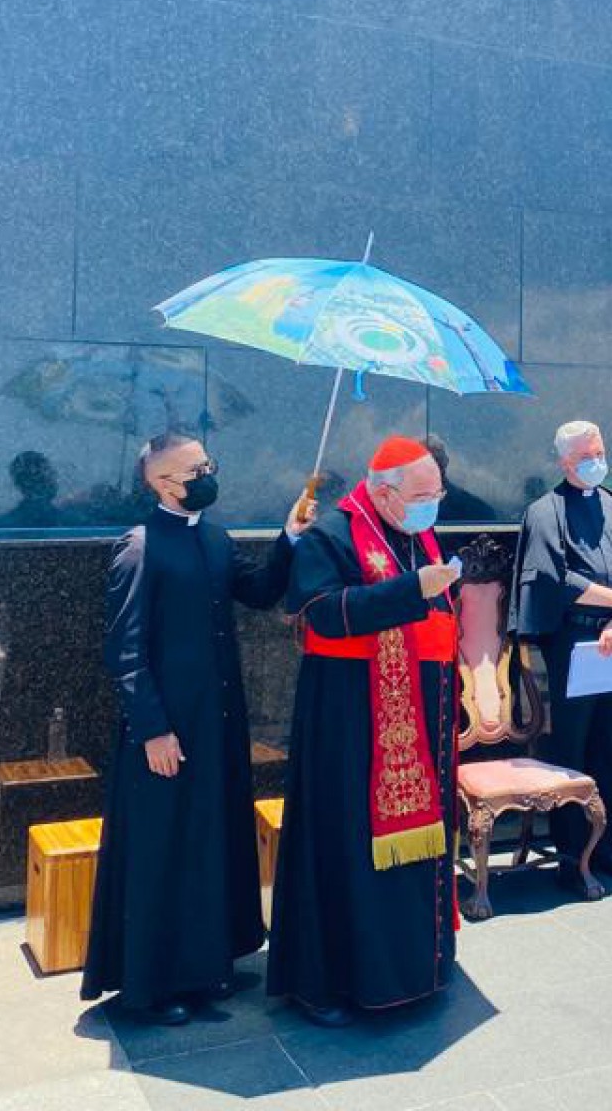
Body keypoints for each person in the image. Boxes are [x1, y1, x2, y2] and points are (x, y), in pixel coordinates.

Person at [81, 434, 307, 1025]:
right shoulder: (139, 548)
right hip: (166, 733)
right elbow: (124, 651)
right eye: (194, 469)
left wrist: (289, 538)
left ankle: (209, 968)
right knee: (167, 851)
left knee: (209, 842)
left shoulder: (211, 534)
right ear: (161, 483)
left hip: (217, 726)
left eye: (208, 463)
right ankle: (159, 986)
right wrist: (152, 729)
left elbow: (257, 592)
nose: (208, 474)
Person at [266, 436, 463, 1025]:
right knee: (346, 844)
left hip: (420, 724)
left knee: (415, 852)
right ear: (382, 491)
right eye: (424, 495)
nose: (434, 504)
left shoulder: (415, 532)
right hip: (350, 724)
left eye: (438, 493)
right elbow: (321, 612)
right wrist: (413, 592)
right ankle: (334, 984)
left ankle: (416, 969)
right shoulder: (331, 534)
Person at [514, 421, 612, 890]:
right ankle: (570, 857)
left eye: (599, 452)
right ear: (564, 462)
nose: (596, 462)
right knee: (572, 755)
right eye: (585, 457)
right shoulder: (545, 511)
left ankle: (605, 848)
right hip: (575, 644)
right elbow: (552, 578)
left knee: (608, 745)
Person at [423, 432, 496, 523]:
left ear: (445, 462)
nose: (432, 465)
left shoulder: (476, 509)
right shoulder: (403, 504)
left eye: (436, 458)